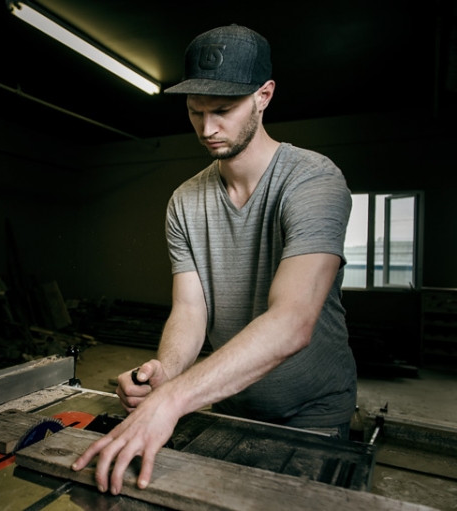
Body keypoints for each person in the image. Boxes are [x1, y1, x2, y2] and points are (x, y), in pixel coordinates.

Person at [72, 24, 357, 495]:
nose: (207, 129)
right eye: (195, 112)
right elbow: (190, 310)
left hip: (313, 414)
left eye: (223, 111)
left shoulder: (313, 181)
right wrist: (166, 372)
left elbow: (292, 322)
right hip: (227, 401)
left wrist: (175, 399)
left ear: (263, 96)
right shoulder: (185, 202)